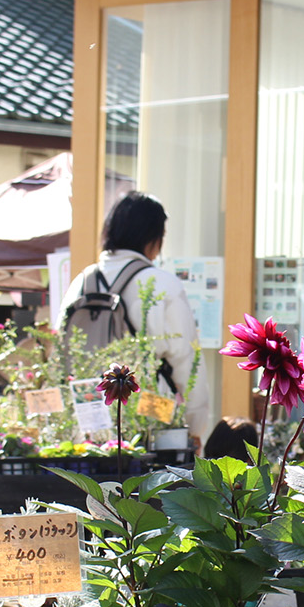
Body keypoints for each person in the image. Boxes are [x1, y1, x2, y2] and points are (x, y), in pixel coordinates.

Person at [59, 191, 214, 446]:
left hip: (90, 416)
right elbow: (187, 362)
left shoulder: (82, 282)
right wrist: (195, 426)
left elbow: (60, 353)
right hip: (150, 415)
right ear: (153, 237)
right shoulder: (163, 284)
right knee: (150, 470)